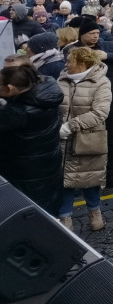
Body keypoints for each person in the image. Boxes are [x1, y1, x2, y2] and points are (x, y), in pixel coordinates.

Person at [56, 47, 111, 231]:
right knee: (64, 181)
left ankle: (95, 213)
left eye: (70, 61)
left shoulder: (101, 82)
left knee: (91, 179)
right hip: (62, 140)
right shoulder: (61, 79)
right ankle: (65, 218)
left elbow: (100, 112)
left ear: (82, 63)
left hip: (89, 139)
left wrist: (70, 126)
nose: (66, 64)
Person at [0, 63, 63, 215]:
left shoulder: (17, 112)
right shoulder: (44, 97)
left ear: (10, 88)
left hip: (24, 176)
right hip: (47, 168)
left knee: (30, 217)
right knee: (47, 214)